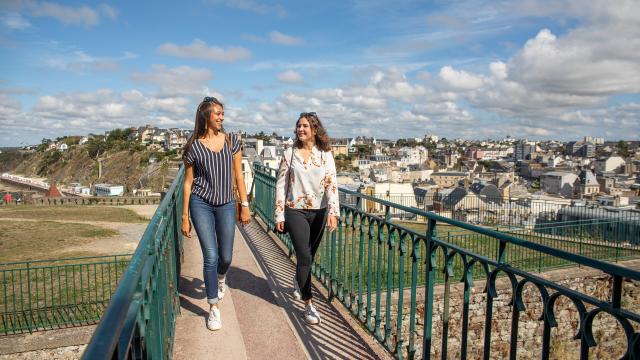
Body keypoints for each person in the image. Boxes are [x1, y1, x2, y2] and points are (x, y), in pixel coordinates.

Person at [181, 96, 251, 331]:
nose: (222, 116)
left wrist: (245, 205)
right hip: (201, 204)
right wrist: (184, 216)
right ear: (206, 117)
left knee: (226, 257)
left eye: (222, 113)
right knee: (210, 256)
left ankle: (221, 278)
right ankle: (213, 307)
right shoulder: (193, 146)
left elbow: (239, 176)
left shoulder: (231, 141)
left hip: (227, 203)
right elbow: (188, 183)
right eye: (218, 113)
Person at [274, 112, 339, 325]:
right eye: (298, 126)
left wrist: (333, 212)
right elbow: (281, 184)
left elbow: (331, 183)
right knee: (305, 257)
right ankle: (309, 304)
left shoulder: (325, 154)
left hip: (319, 212)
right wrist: (279, 214)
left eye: (305, 126)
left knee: (308, 257)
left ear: (314, 129)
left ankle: (298, 280)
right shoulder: (289, 154)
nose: (301, 129)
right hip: (295, 210)